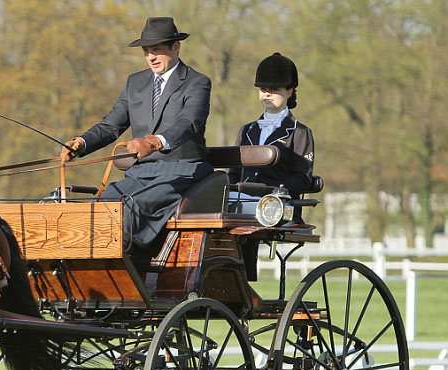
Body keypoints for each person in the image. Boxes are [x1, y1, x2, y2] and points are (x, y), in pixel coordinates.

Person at [62, 16, 213, 254]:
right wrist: (82, 142)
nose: (150, 57)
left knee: (129, 210)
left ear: (176, 47)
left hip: (182, 172)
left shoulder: (197, 82)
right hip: (140, 173)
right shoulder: (136, 83)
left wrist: (154, 142)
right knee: (97, 209)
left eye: (156, 50)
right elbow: (112, 124)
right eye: (146, 51)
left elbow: (189, 122)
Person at [228, 52, 315, 224]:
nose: (267, 94)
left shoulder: (300, 132)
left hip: (279, 205)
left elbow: (302, 177)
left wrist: (274, 192)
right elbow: (235, 173)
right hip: (242, 200)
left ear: (289, 92)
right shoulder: (246, 130)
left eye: (274, 90)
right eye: (263, 90)